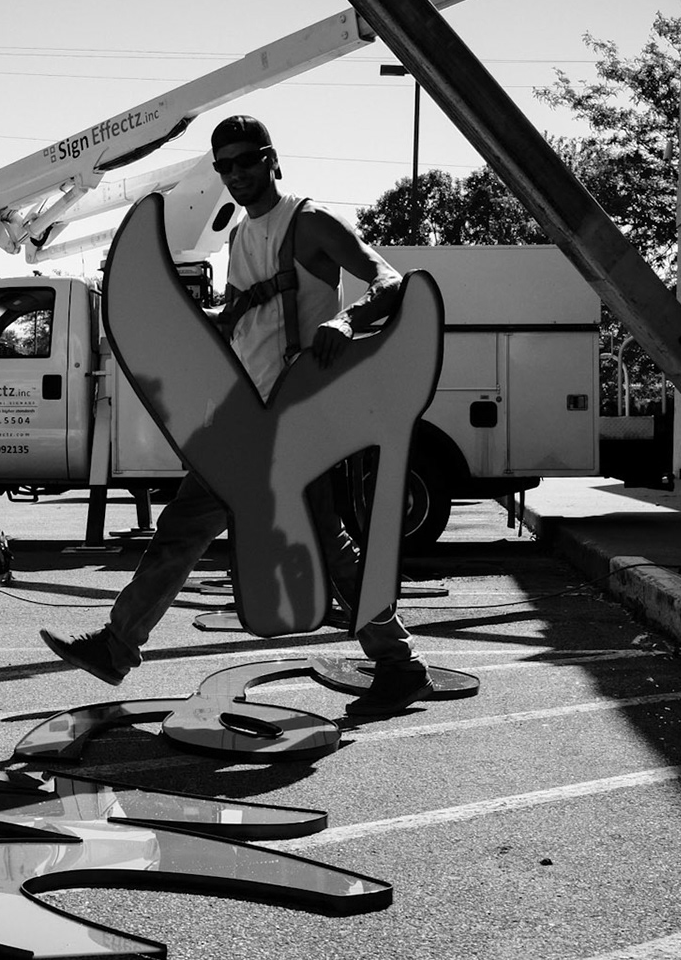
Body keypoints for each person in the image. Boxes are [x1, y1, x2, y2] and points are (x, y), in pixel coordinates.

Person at [41, 115, 435, 714]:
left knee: (326, 543)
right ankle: (118, 645)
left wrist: (346, 320)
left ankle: (400, 664)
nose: (235, 174)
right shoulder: (238, 237)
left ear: (270, 159)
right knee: (183, 528)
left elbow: (389, 280)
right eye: (224, 166)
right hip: (244, 419)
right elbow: (246, 321)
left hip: (297, 418)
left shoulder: (308, 221)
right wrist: (203, 323)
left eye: (245, 161)